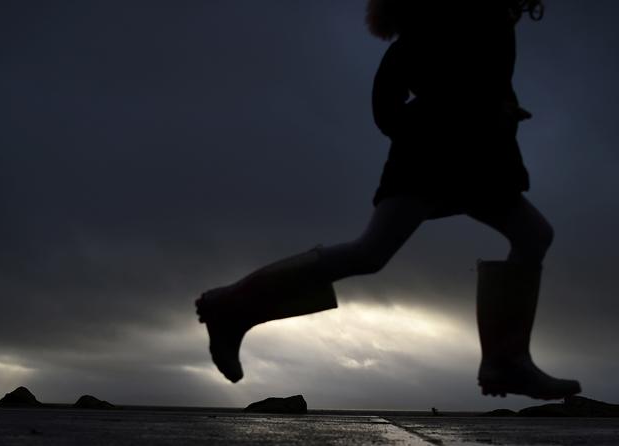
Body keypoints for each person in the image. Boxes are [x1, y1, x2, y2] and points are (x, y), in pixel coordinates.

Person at [195, 0, 580, 400]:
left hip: (477, 159)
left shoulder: (487, 17)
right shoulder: (453, 18)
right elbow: (391, 102)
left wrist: (493, 109)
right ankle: (231, 306)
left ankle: (506, 361)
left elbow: (469, 82)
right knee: (370, 253)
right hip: (436, 156)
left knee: (532, 235)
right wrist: (448, 118)